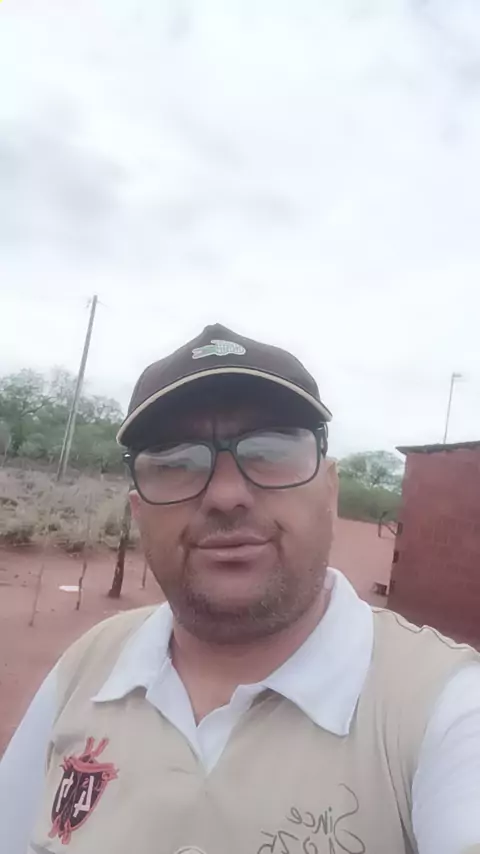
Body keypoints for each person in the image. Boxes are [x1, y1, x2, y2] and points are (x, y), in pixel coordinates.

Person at [1, 323, 480, 854]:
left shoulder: (444, 711)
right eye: (176, 462)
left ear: (329, 490)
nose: (226, 495)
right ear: (139, 512)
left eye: (269, 451)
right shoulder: (86, 668)